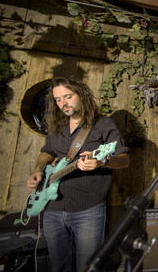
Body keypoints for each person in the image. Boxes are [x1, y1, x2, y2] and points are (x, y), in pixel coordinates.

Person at [26, 76, 130, 272]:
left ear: (81, 95)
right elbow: (48, 151)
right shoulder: (57, 124)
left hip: (87, 209)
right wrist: (38, 169)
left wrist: (102, 161)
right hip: (52, 208)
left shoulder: (103, 125)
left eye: (68, 96)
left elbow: (124, 160)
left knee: (87, 268)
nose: (63, 104)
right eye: (58, 100)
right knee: (59, 267)